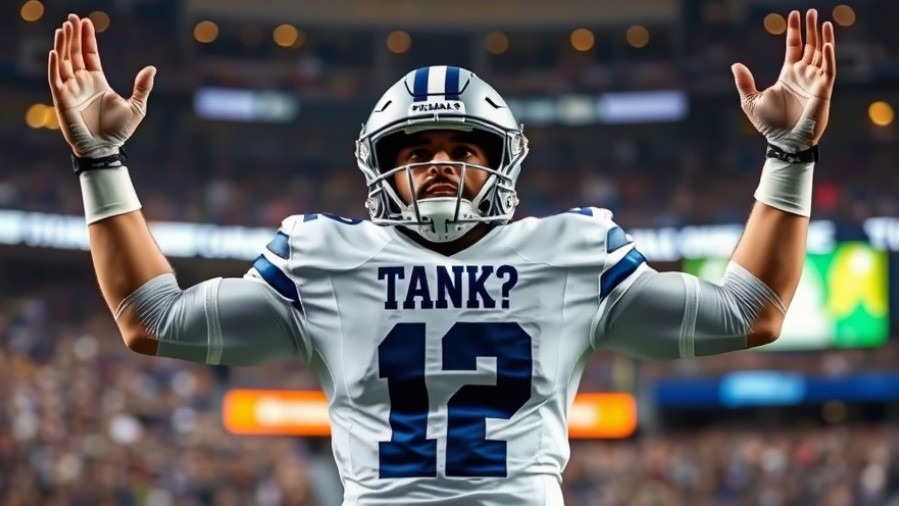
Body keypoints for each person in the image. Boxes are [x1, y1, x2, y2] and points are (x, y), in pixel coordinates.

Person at [48, 10, 836, 506]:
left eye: (464, 147)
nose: (439, 164)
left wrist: (788, 151)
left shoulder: (572, 250)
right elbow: (152, 320)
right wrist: (100, 163)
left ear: (503, 162)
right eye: (415, 149)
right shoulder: (322, 255)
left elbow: (749, 312)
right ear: (377, 164)